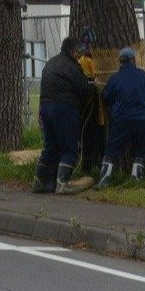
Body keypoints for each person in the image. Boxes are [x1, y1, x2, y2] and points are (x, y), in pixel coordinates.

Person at [32, 37, 96, 195]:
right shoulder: (73, 67)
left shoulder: (50, 63)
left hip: (45, 108)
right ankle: (62, 183)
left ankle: (39, 182)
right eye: (78, 52)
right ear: (74, 52)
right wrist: (92, 87)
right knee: (70, 147)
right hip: (64, 109)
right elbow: (84, 91)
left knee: (50, 146)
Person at [97, 46, 145, 188]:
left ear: (120, 61)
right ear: (134, 60)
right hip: (142, 119)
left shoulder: (114, 79)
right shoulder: (144, 76)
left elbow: (106, 97)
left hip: (121, 119)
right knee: (140, 151)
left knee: (111, 150)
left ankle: (104, 179)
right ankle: (136, 179)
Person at [77, 28, 106, 174]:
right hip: (90, 106)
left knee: (102, 138)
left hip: (102, 106)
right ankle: (86, 168)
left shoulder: (100, 59)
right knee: (88, 137)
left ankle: (102, 167)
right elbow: (88, 80)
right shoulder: (83, 61)